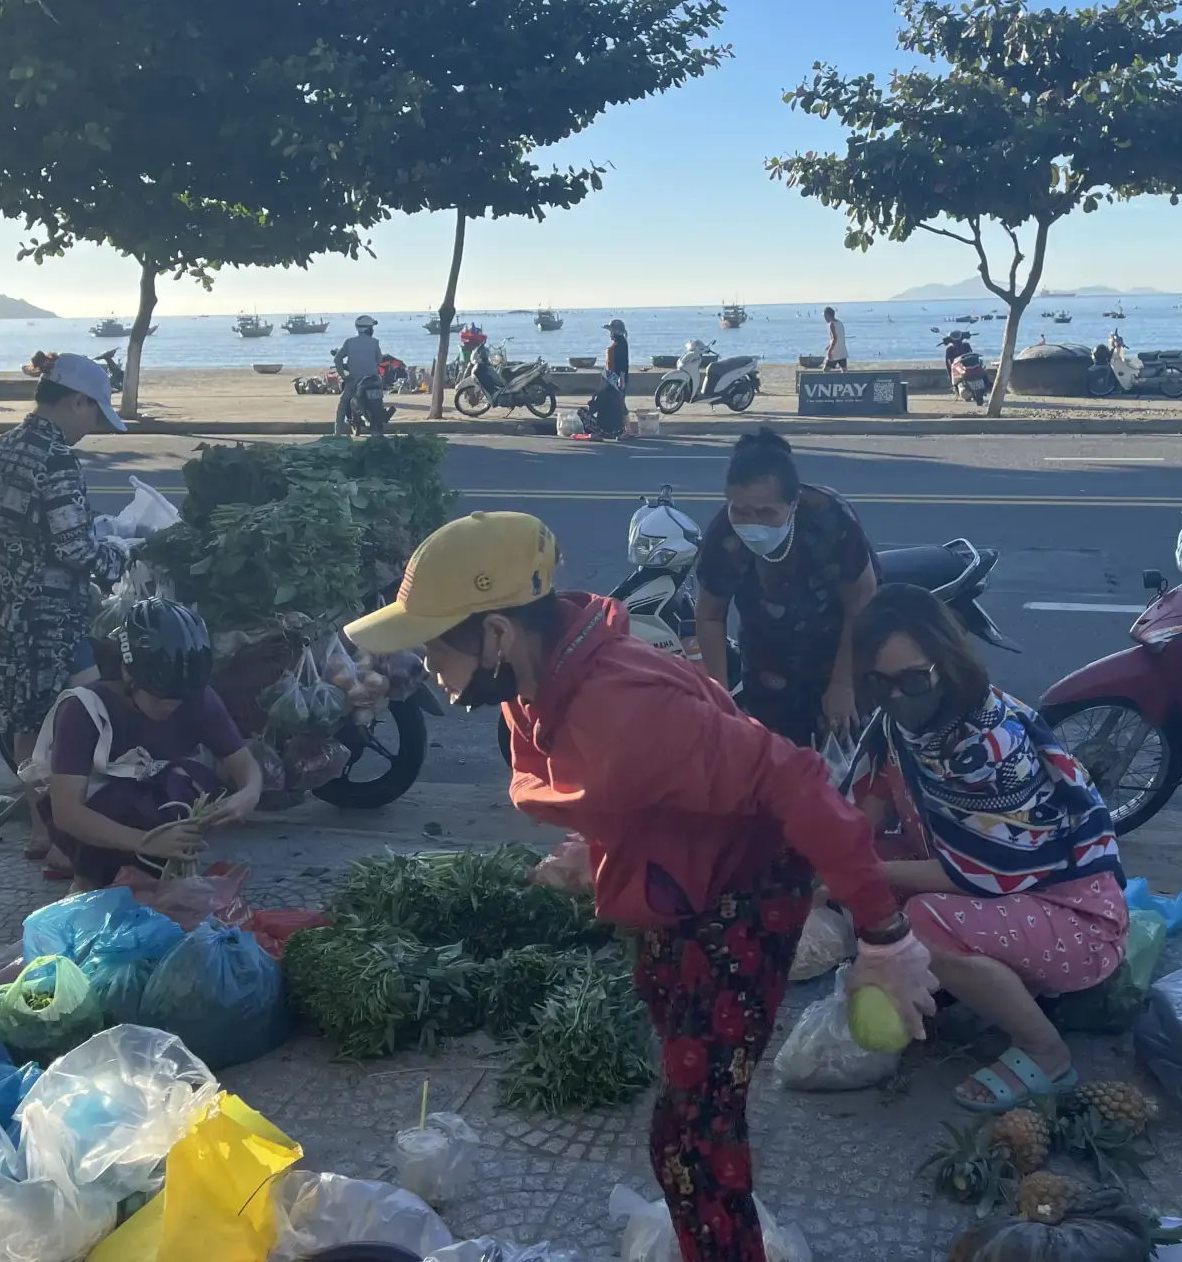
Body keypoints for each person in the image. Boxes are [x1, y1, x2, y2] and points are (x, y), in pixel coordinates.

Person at [347, 512, 936, 1262]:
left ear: (496, 634)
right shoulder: (543, 675)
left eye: (436, 645)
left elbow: (799, 780)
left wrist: (886, 938)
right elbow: (633, 789)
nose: (428, 666)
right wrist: (591, 845)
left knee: (690, 1141)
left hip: (743, 898)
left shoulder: (621, 703)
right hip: (682, 888)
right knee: (674, 1039)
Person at [851, 584, 1125, 1113]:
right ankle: (970, 984)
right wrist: (831, 869)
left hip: (1074, 916)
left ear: (946, 663)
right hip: (1009, 891)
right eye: (878, 683)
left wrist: (866, 873)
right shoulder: (907, 725)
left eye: (913, 679)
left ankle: (1045, 1053)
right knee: (866, 886)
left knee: (920, 922)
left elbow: (984, 872)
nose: (897, 696)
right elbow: (874, 802)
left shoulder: (987, 745)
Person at [0, 352, 129, 868]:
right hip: (47, 616)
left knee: (24, 718)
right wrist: (125, 554)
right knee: (76, 716)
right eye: (94, 414)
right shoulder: (55, 457)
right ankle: (69, 841)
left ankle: (42, 830)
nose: (93, 427)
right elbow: (75, 549)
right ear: (76, 401)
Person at [37, 598, 262, 890]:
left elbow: (245, 765)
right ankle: (88, 880)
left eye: (178, 702)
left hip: (159, 819)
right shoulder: (83, 709)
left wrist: (247, 795)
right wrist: (146, 842)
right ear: (128, 673)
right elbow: (66, 813)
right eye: (158, 698)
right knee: (121, 799)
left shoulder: (198, 698)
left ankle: (164, 873)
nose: (168, 708)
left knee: (183, 783)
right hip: (99, 821)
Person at [695, 429, 878, 744]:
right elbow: (710, 614)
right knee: (774, 755)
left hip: (839, 653)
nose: (752, 524)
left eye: (766, 513)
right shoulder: (723, 536)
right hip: (767, 662)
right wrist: (720, 696)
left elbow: (861, 600)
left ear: (792, 504)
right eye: (740, 511)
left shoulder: (829, 520)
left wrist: (844, 684)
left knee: (846, 761)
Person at [580, 319, 630, 439]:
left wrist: (620, 380)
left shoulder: (620, 344)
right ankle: (626, 430)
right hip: (614, 379)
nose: (610, 333)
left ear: (616, 331)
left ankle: (626, 430)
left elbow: (623, 364)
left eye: (611, 330)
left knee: (618, 404)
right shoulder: (620, 343)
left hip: (615, 379)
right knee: (620, 405)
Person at [334, 315, 383, 436]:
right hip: (374, 379)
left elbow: (337, 359)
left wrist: (343, 375)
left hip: (355, 380)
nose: (373, 330)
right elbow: (379, 360)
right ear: (367, 329)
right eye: (371, 328)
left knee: (343, 404)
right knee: (379, 398)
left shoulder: (349, 342)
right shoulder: (375, 342)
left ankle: (337, 433)